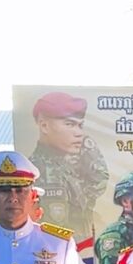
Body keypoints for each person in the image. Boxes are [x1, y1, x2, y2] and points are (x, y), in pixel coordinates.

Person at [29, 91, 109, 241]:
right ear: (44, 126)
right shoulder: (36, 172)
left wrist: (89, 149)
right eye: (70, 124)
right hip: (53, 250)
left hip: (79, 247)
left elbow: (99, 181)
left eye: (80, 126)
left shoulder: (71, 165)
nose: (79, 133)